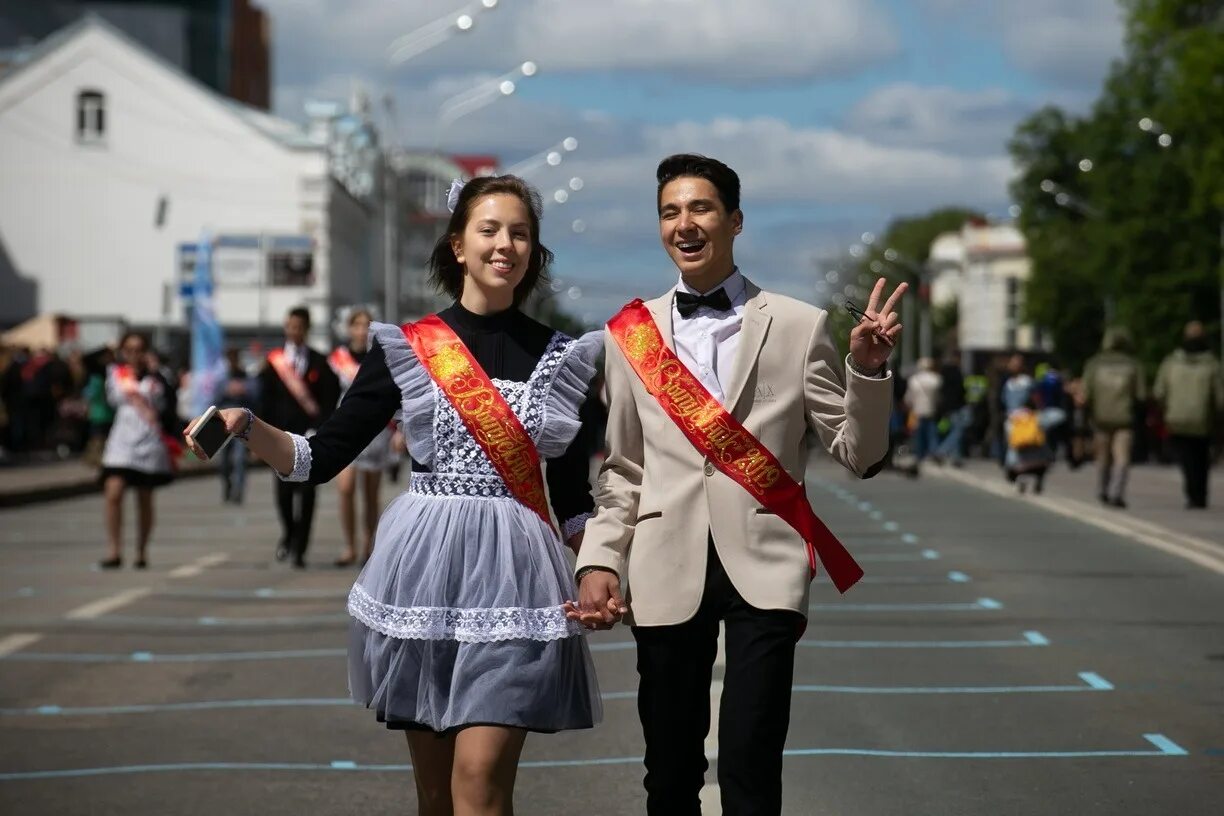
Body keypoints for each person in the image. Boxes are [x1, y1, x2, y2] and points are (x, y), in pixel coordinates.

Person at [185, 175, 602, 815]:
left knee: (481, 783)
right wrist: (247, 425)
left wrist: (601, 565)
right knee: (436, 799)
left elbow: (573, 497)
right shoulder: (410, 349)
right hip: (424, 579)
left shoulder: (562, 358)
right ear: (457, 245)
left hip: (516, 580)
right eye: (489, 229)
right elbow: (318, 458)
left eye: (520, 233)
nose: (505, 245)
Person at [570, 154, 901, 815]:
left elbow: (857, 454)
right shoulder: (626, 336)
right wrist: (600, 558)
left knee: (752, 768)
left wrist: (866, 371)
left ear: (734, 221)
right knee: (669, 773)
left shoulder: (799, 324)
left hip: (767, 564)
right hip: (665, 563)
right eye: (669, 212)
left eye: (700, 209)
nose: (683, 224)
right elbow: (624, 468)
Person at [257, 306, 340, 567]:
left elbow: (328, 398)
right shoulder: (273, 363)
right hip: (280, 437)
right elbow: (264, 400)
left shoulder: (319, 361)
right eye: (290, 326)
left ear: (306, 329)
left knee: (307, 494)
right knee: (283, 494)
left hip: (309, 437)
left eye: (299, 327)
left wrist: (321, 427)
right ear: (286, 328)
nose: (294, 331)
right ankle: (289, 534)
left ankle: (300, 549)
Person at [98, 332, 178, 569]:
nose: (134, 354)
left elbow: (170, 405)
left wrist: (155, 372)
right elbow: (89, 361)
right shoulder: (115, 374)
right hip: (121, 440)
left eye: (139, 349)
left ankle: (141, 551)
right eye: (129, 349)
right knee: (113, 492)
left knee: (144, 497)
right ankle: (114, 549)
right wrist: (111, 348)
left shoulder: (158, 377)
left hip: (149, 440)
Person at [329, 308, 400, 567]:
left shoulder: (381, 359)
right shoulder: (337, 359)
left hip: (376, 430)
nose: (361, 330)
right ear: (349, 328)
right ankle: (349, 545)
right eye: (356, 325)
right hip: (346, 427)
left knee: (371, 493)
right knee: (346, 488)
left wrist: (397, 431)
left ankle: (368, 545)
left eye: (366, 325)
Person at [1154, 321, 1223, 509]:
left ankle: (1192, 493)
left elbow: (1159, 391)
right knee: (1201, 458)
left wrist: (1166, 409)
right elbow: (1219, 396)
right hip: (1203, 419)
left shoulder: (1171, 363)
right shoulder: (1212, 364)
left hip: (1177, 418)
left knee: (1186, 459)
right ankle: (1200, 494)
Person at [1083, 327, 1146, 508]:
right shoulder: (1133, 365)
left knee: (1102, 457)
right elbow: (1141, 395)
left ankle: (1102, 490)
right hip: (1124, 419)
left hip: (1100, 418)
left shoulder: (1094, 364)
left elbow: (1086, 394)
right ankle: (1116, 493)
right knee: (1122, 457)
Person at [216, 347, 257, 504]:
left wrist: (244, 390)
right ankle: (227, 485)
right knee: (225, 460)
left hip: (241, 425)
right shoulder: (222, 378)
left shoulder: (246, 377)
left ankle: (238, 491)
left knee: (240, 459)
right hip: (224, 425)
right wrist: (226, 391)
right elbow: (213, 397)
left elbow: (255, 394)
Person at [904, 357, 942, 464]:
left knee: (918, 434)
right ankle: (934, 452)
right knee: (932, 432)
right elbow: (938, 397)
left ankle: (919, 454)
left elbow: (909, 397)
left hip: (917, 410)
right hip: (931, 409)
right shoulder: (937, 379)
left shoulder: (914, 380)